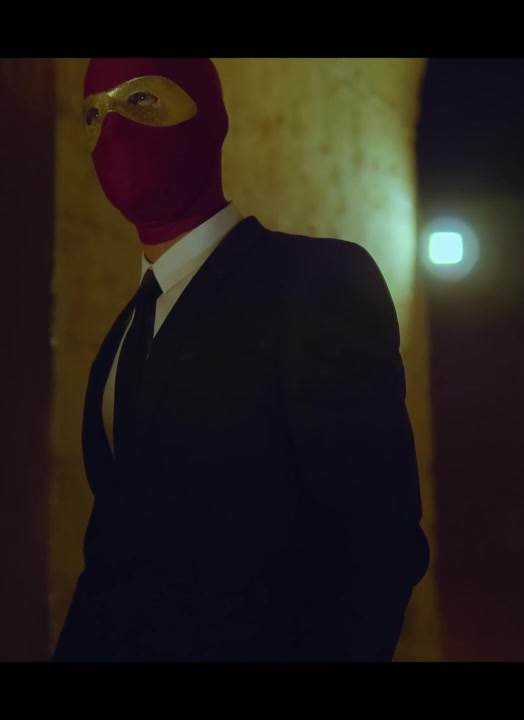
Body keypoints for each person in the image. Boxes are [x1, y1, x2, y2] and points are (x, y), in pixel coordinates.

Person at [53, 58, 430, 662]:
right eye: (93, 113)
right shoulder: (122, 335)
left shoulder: (314, 282)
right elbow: (112, 560)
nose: (112, 130)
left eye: (142, 100)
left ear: (211, 118)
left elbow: (375, 542)